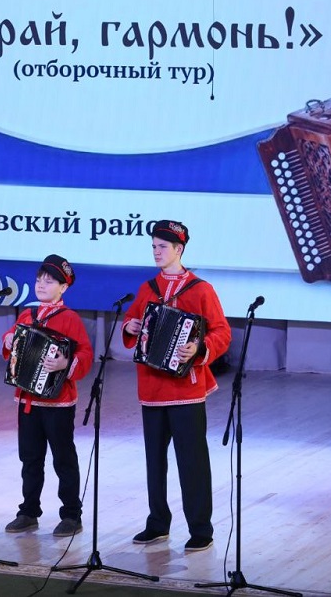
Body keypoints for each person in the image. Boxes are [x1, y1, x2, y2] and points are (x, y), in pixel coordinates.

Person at [122, 219, 231, 553]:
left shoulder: (200, 289)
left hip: (186, 390)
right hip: (152, 388)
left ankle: (200, 528)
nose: (156, 252)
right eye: (154, 247)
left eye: (162, 247)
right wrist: (131, 325)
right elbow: (132, 322)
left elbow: (222, 332)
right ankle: (158, 523)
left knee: (192, 461)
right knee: (154, 461)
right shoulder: (148, 289)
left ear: (179, 249)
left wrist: (199, 348)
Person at [0, 255, 94, 537]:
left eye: (49, 281)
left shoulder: (70, 318)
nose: (41, 284)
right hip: (27, 399)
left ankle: (71, 514)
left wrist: (66, 363)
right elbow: (12, 339)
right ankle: (29, 511)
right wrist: (8, 339)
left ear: (63, 287)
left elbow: (85, 353)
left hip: (58, 402)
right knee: (30, 458)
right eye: (39, 279)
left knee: (63, 458)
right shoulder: (27, 315)